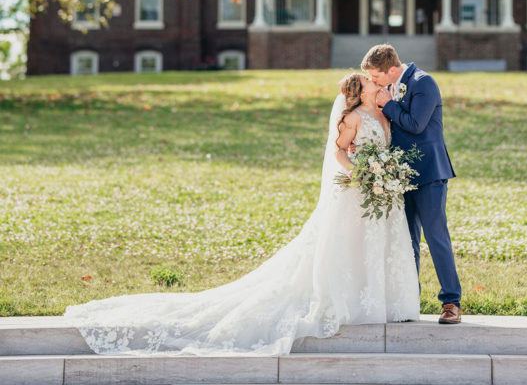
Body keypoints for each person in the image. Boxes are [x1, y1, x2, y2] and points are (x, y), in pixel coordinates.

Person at [63, 73, 419, 355]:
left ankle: (372, 301)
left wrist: (384, 172)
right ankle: (344, 301)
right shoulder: (352, 117)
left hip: (378, 194)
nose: (378, 84)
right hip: (355, 190)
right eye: (372, 81)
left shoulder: (382, 113)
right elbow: (340, 152)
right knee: (341, 246)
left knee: (366, 246)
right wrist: (360, 173)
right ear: (360, 90)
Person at [361, 43, 462, 324]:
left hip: (429, 174)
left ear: (392, 70)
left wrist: (388, 105)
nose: (373, 82)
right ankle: (409, 300)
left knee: (435, 236)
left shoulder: (423, 83)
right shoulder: (387, 89)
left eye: (376, 77)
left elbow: (416, 124)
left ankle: (451, 301)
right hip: (399, 178)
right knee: (406, 242)